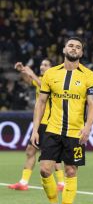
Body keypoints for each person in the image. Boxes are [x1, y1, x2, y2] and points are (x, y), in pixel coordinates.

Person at [30, 36, 93, 204]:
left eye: (78, 47)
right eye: (71, 45)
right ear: (64, 49)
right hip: (52, 129)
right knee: (45, 169)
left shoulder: (89, 76)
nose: (74, 48)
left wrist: (88, 127)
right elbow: (41, 103)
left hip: (75, 133)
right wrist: (35, 129)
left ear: (82, 53)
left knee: (70, 171)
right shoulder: (50, 74)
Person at [8, 60, 65, 191]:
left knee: (51, 155)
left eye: (45, 65)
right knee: (30, 151)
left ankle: (61, 183)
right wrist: (22, 70)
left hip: (50, 123)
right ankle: (23, 182)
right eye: (41, 64)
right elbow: (29, 81)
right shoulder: (40, 79)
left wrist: (31, 73)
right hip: (40, 122)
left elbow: (44, 86)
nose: (42, 66)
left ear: (52, 68)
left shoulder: (55, 80)